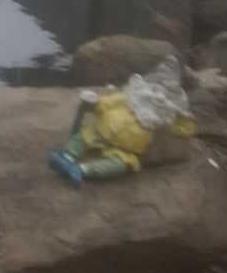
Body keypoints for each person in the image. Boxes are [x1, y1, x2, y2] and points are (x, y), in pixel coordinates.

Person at [49, 57, 195, 185]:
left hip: (124, 150)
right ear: (147, 87)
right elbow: (106, 103)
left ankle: (83, 171)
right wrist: (95, 102)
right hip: (99, 132)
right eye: (155, 90)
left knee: (120, 166)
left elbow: (185, 130)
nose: (159, 97)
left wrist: (182, 115)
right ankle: (66, 159)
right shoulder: (129, 98)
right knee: (79, 138)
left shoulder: (163, 119)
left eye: (165, 94)